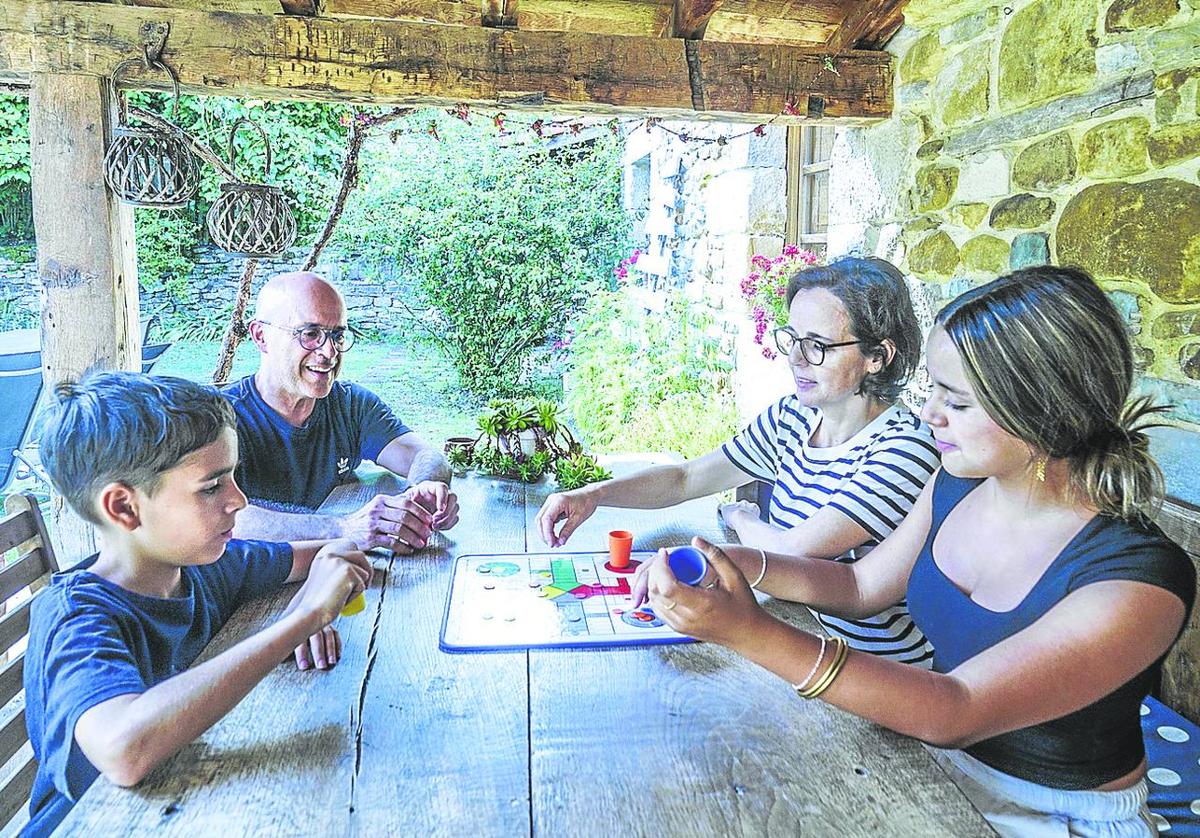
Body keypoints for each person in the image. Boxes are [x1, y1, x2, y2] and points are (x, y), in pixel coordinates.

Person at [634, 266, 1195, 837]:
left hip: (1056, 813)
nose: (928, 415)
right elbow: (859, 588)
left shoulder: (1136, 579)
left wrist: (746, 630)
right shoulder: (960, 484)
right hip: (933, 766)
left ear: (1042, 409)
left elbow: (954, 710)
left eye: (957, 401)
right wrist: (734, 564)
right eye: (932, 389)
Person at [536, 257, 941, 664]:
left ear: (877, 356)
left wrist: (742, 518)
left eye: (817, 346)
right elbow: (684, 478)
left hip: (873, 670)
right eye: (793, 339)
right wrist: (593, 495)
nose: (796, 359)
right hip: (797, 630)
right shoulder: (795, 416)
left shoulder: (905, 448)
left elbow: (793, 554)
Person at [23, 372, 373, 837]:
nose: (239, 500)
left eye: (233, 477)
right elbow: (124, 749)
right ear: (124, 508)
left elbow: (316, 556)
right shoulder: (78, 617)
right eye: (212, 487)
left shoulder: (201, 566)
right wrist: (304, 618)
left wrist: (333, 559)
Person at [223, 271, 459, 553]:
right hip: (256, 589)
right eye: (310, 334)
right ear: (261, 336)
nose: (330, 352)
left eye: (337, 335)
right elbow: (219, 516)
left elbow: (424, 455)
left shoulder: (350, 405)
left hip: (342, 575)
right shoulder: (220, 419)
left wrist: (423, 489)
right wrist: (343, 529)